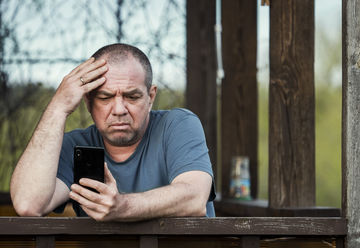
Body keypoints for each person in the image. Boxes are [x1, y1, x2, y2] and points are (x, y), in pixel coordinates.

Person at [10, 43, 215, 221]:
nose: (119, 110)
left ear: (150, 97)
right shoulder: (75, 145)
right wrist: (58, 107)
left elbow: (195, 198)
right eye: (105, 97)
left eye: (132, 97)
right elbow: (29, 205)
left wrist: (122, 207)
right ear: (88, 102)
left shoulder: (177, 125)